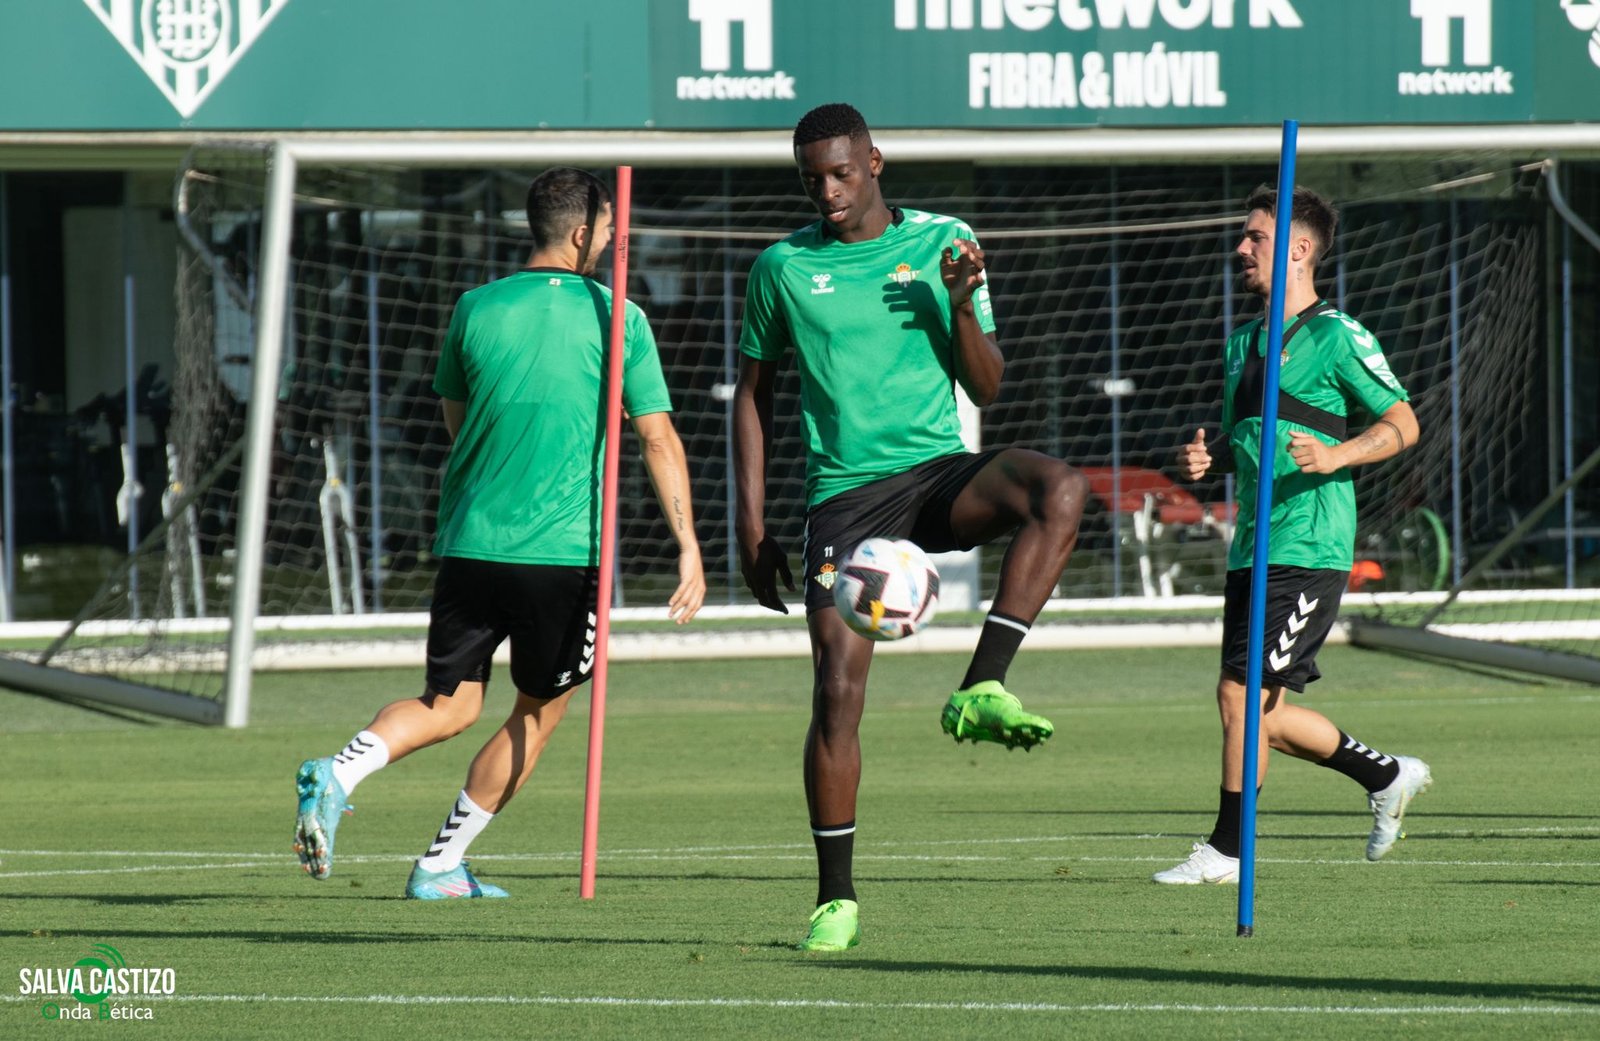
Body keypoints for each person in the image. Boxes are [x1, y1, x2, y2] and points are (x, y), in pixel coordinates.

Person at [293, 168, 706, 899]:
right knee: (537, 715)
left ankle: (340, 769)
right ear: (582, 234)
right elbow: (658, 439)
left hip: (468, 541)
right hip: (561, 555)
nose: (613, 245)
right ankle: (440, 863)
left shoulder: (474, 308)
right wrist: (689, 545)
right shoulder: (620, 318)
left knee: (448, 703)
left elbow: (458, 420)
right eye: (608, 233)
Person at [734, 103, 1090, 950]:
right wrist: (748, 526)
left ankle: (982, 684)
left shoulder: (944, 242)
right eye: (811, 177)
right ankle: (836, 897)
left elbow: (989, 389)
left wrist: (962, 305)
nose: (827, 190)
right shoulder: (781, 268)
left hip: (938, 477)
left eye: (841, 172)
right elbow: (752, 395)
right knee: (837, 692)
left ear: (876, 162)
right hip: (845, 501)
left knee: (1061, 487)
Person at [1154, 184, 1430, 885]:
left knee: (1240, 699)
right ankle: (1387, 774)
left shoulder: (1339, 335)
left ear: (1299, 250)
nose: (1240, 248)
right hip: (1252, 545)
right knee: (1263, 715)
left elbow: (1404, 422)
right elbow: (1243, 435)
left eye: (1256, 237)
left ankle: (1227, 846)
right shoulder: (1242, 341)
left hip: (1309, 544)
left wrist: (1337, 454)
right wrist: (1207, 456)